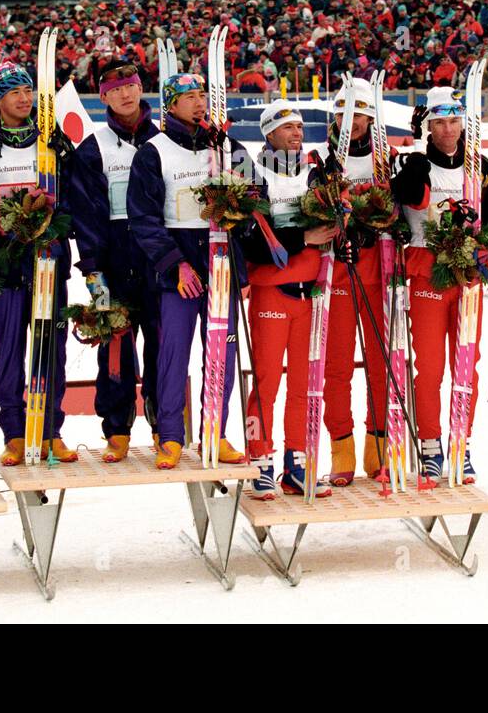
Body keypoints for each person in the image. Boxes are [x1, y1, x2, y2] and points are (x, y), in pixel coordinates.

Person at [0, 61, 75, 467]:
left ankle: (52, 429)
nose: (23, 99)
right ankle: (14, 431)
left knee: (51, 347)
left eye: (28, 91)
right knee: (8, 348)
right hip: (5, 263)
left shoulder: (52, 142)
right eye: (13, 93)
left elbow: (76, 197)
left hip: (49, 259)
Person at [126, 71, 248, 469]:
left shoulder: (228, 147)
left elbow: (254, 202)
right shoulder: (153, 151)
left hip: (220, 262)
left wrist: (238, 214)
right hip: (177, 266)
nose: (198, 103)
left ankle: (217, 430)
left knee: (221, 352)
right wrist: (174, 264)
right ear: (172, 105)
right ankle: (172, 436)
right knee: (173, 351)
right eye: (189, 96)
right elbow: (143, 217)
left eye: (202, 95)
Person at [391, 86, 488, 480]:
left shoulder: (479, 167)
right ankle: (430, 443)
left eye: (454, 121)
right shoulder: (415, 164)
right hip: (428, 266)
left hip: (468, 270)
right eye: (439, 122)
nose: (448, 129)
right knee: (429, 366)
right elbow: (406, 200)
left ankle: (462, 439)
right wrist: (415, 171)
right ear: (427, 126)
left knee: (467, 364)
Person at [242, 101, 336, 498]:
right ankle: (259, 459)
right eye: (287, 128)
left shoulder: (314, 173)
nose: (296, 134)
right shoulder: (251, 172)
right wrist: (304, 239)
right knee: (265, 381)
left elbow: (330, 225)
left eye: (299, 127)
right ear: (269, 134)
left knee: (304, 383)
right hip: (271, 291)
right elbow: (250, 241)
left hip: (310, 292)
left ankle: (297, 461)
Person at [67, 62, 161, 462]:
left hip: (159, 259)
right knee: (116, 347)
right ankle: (117, 428)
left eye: (134, 86)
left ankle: (165, 423)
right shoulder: (94, 147)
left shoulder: (166, 140)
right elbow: (86, 214)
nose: (127, 94)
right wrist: (92, 269)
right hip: (112, 260)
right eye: (118, 88)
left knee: (164, 346)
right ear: (103, 96)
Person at [315, 78, 390, 485]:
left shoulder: (387, 160)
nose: (351, 122)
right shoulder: (323, 162)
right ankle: (341, 449)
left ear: (370, 117)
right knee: (337, 365)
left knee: (381, 363)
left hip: (379, 269)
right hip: (340, 269)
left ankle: (377, 450)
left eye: (358, 114)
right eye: (344, 114)